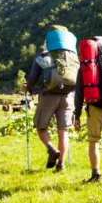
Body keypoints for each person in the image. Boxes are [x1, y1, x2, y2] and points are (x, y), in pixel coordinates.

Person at [25, 27, 76, 173]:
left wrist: (29, 89)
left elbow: (32, 79)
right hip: (68, 96)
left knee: (41, 126)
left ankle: (51, 149)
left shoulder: (43, 56)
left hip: (48, 96)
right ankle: (61, 165)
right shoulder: (72, 57)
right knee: (63, 131)